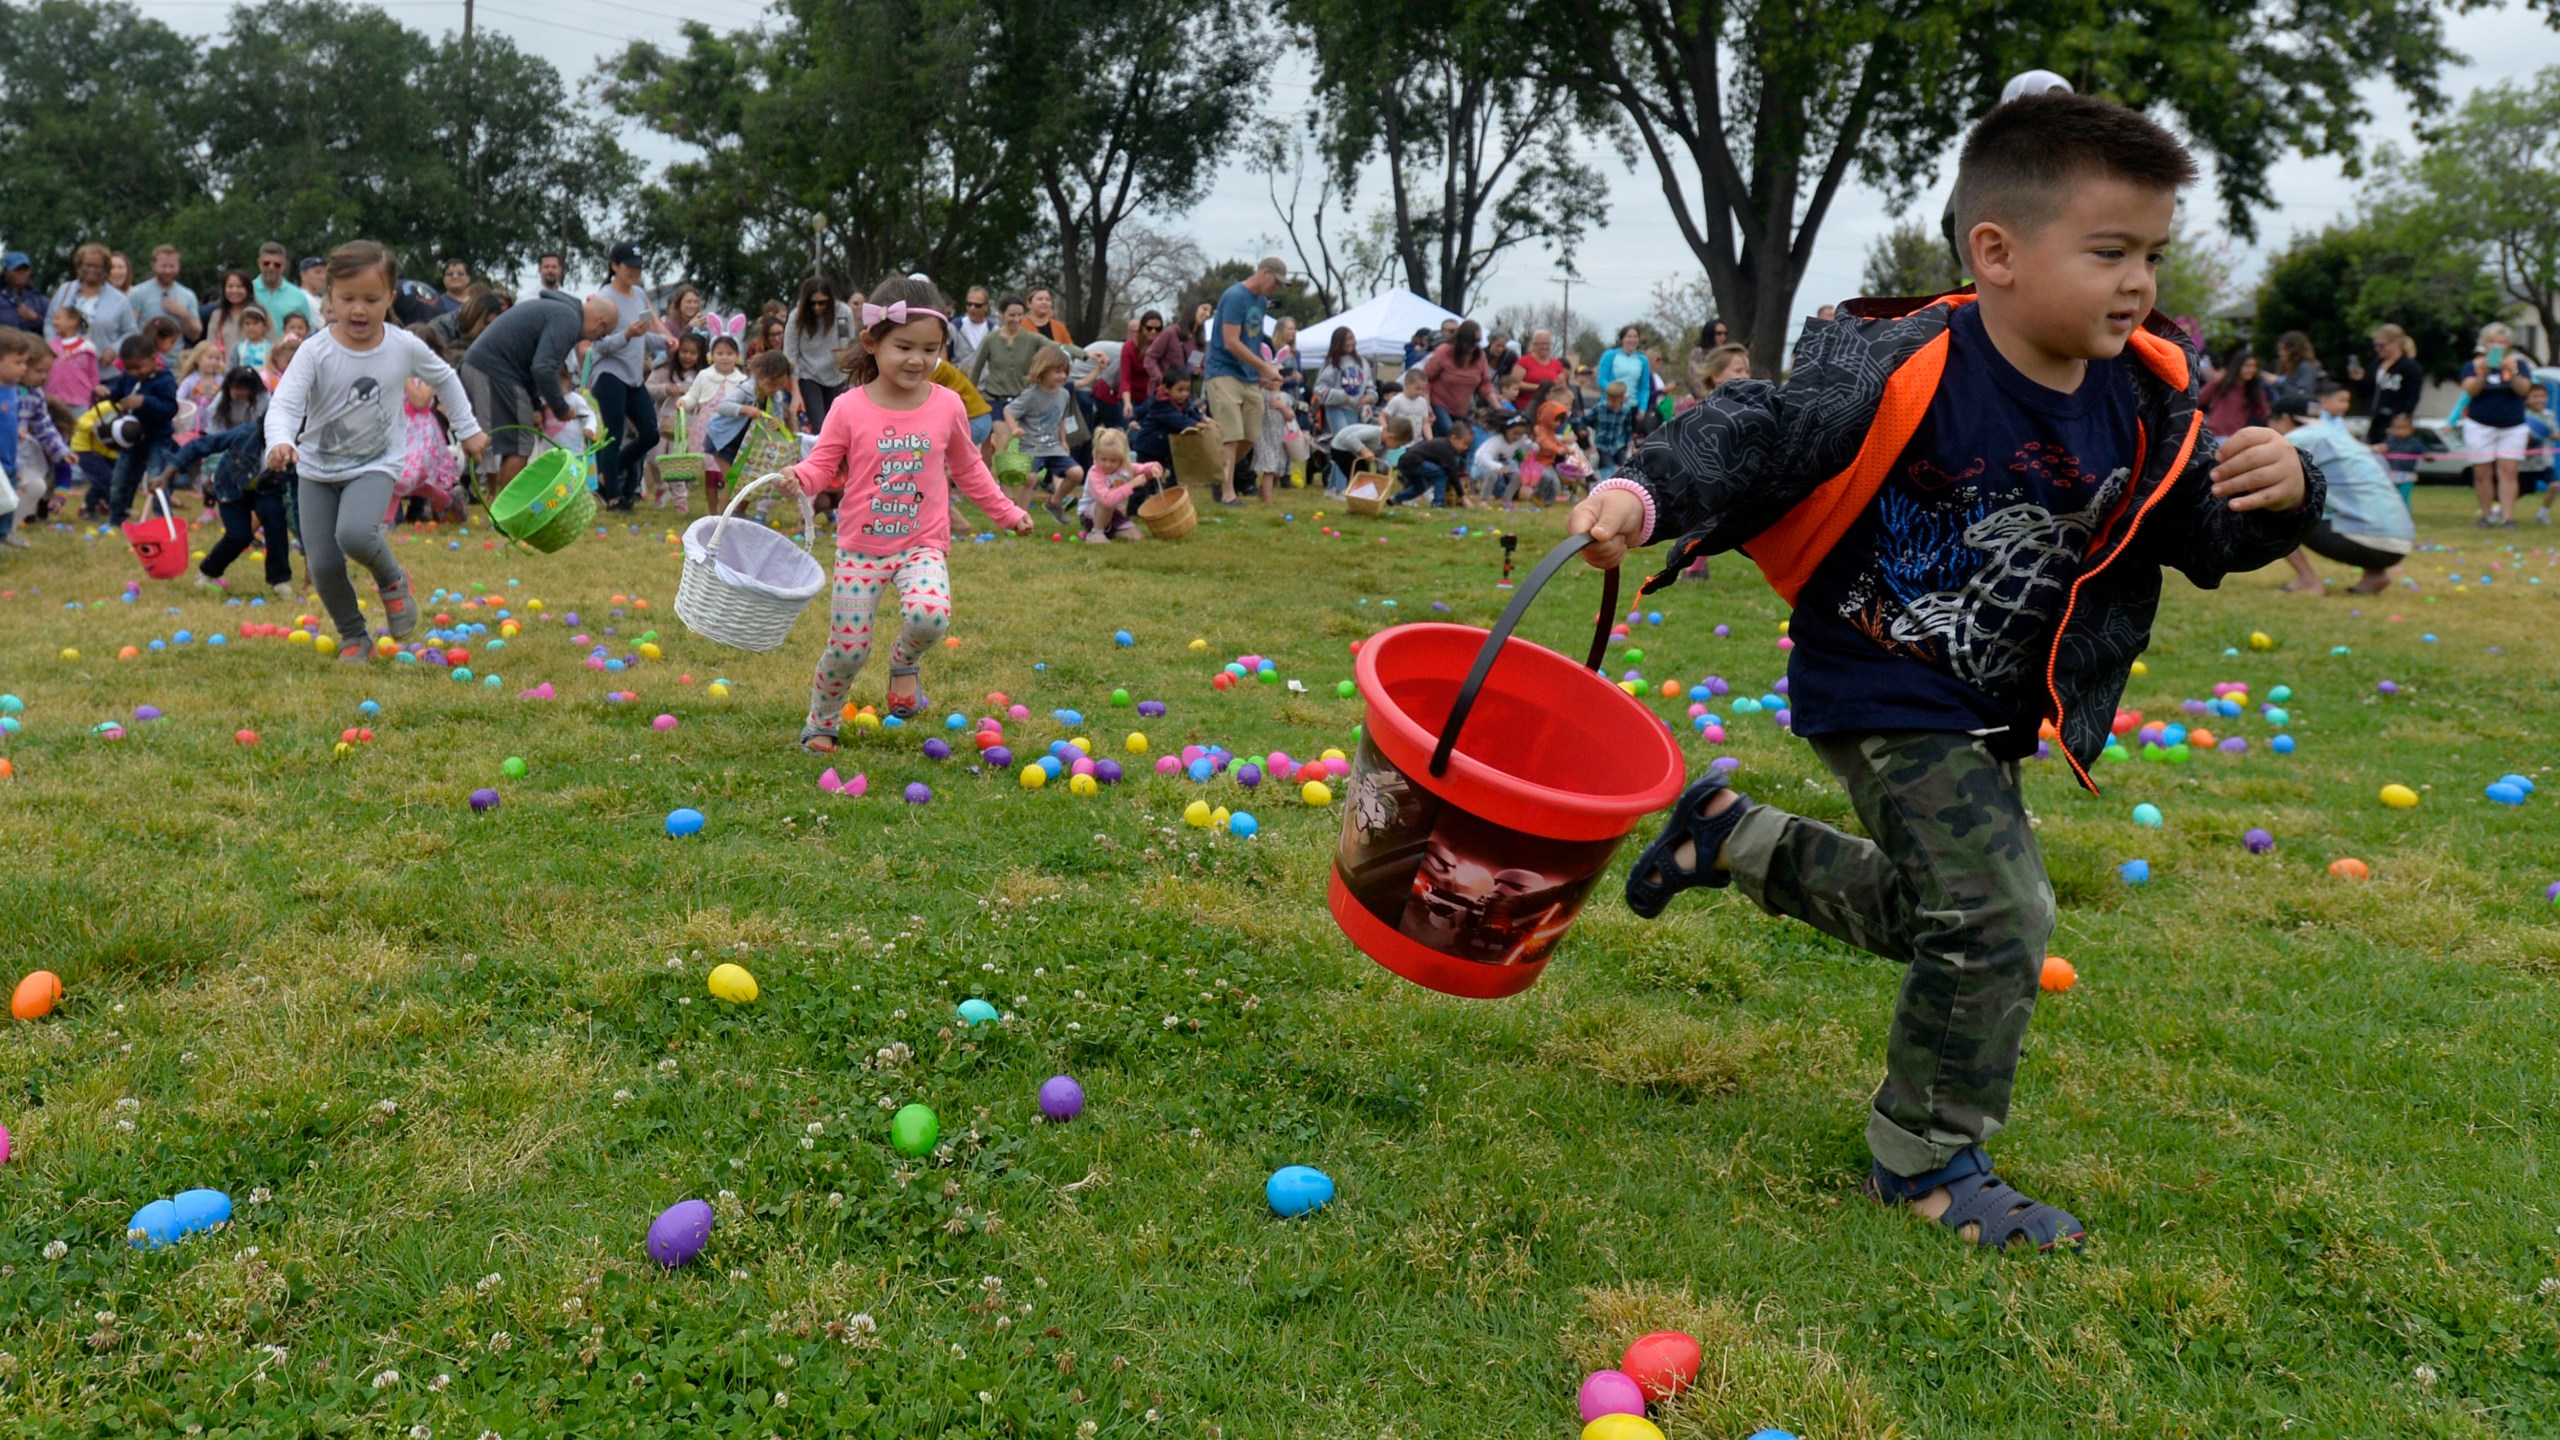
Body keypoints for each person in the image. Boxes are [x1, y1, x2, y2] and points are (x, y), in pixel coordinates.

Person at [1568, 90, 2318, 1254]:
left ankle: (1729, 837)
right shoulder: (1904, 364)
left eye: (2151, 256)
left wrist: (2282, 497)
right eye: (2109, 251)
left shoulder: (2146, 404)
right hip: (1877, 678)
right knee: (1999, 914)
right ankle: (1923, 1158)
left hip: (1986, 705)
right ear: (1996, 253)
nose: (2138, 283)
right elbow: (1757, 427)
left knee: (1943, 915)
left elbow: (2203, 538)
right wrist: (1647, 491)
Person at [791, 276, 1031, 752]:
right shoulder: (847, 407)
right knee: (847, 649)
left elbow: (970, 468)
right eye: (904, 346)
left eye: (930, 349)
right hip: (861, 549)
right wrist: (797, 478)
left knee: (929, 618)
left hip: (922, 544)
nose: (918, 359)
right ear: (872, 342)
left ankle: (904, 663)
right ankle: (821, 721)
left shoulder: (947, 405)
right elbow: (821, 464)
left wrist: (1006, 511)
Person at [264, 242, 488, 657]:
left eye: (372, 299)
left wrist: (469, 429)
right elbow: (285, 404)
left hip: (375, 464)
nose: (359, 310)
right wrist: (280, 441)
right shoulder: (315, 351)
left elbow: (445, 379)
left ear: (390, 297)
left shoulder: (403, 345)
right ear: (329, 297)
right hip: (316, 469)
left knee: (355, 533)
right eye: (347, 299)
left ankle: (392, 580)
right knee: (323, 565)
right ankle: (354, 635)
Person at [461, 289, 618, 490]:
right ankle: (508, 515)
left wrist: (535, 405)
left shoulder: (562, 312)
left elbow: (533, 365)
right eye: (602, 335)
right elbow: (543, 368)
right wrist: (561, 409)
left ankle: (463, 490)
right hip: (494, 369)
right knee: (519, 442)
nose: (597, 340)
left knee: (490, 438)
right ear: (600, 323)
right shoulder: (568, 319)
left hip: (481, 365)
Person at [153, 374, 291, 595]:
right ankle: (207, 572)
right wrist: (168, 473)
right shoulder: (246, 434)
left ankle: (279, 581)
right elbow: (201, 445)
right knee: (239, 535)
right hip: (231, 488)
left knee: (275, 521)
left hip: (266, 489)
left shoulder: (294, 448)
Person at [2267, 389, 2409, 595]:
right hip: (2399, 542)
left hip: (2366, 541)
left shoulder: (2296, 439)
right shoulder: (2341, 436)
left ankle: (2307, 581)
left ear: (2285, 418)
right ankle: (2375, 575)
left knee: (2271, 512)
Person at [587, 243, 664, 510]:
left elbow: (643, 338)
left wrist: (668, 342)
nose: (635, 271)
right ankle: (614, 497)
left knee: (651, 434)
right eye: (629, 266)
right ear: (614, 267)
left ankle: (606, 474)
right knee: (613, 435)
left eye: (639, 266)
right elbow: (598, 345)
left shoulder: (640, 295)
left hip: (633, 376)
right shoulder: (604, 297)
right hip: (608, 373)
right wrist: (627, 335)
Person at [1206, 258, 1288, 505]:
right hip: (1223, 371)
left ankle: (1219, 475)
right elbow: (1230, 341)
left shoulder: (1261, 302)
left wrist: (1262, 372)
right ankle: (1227, 493)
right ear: (1264, 273)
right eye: (1276, 282)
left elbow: (1252, 340)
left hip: (1250, 376)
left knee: (1250, 435)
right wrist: (1264, 366)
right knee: (1230, 434)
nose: (1277, 288)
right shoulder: (1234, 296)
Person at [2459, 320, 2532, 526]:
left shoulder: (2519, 365)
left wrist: (2513, 373)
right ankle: (2487, 515)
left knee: (2508, 473)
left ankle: (2507, 517)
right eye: (2493, 342)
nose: (2497, 346)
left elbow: (2524, 390)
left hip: (2512, 425)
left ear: (2509, 344)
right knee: (2482, 473)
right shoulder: (2471, 365)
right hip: (2480, 424)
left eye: (2502, 342)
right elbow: (2471, 391)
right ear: (2485, 344)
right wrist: (2482, 373)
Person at [103, 334, 178, 524]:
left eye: (139, 367)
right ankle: (117, 518)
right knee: (121, 479)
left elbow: (170, 409)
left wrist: (145, 402)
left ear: (153, 359)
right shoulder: (127, 378)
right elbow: (117, 393)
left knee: (157, 479)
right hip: (131, 440)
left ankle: (163, 520)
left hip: (158, 439)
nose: (135, 372)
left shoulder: (165, 380)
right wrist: (107, 393)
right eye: (129, 368)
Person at [1007, 348, 1083, 522]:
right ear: (1043, 370)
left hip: (1053, 446)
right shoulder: (1030, 395)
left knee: (1077, 473)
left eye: (1065, 371)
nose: (1063, 376)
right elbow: (1009, 411)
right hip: (1032, 447)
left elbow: (1060, 418)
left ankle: (1054, 503)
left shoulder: (1064, 394)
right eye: (1058, 371)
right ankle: (1019, 518)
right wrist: (1014, 429)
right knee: (1030, 478)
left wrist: (1063, 440)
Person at [966, 295, 1048, 449]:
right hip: (995, 399)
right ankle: (995, 473)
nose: (1016, 319)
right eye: (1012, 315)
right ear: (1002, 314)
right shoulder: (991, 340)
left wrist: (1085, 355)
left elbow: (1057, 347)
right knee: (1003, 440)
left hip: (1022, 399)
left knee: (1022, 445)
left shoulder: (1031, 338)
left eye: (1019, 315)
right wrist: (966, 399)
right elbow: (975, 371)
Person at [681, 334, 753, 507]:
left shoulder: (742, 380)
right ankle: (713, 511)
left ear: (737, 356)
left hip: (732, 430)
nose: (725, 357)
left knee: (729, 471)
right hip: (707, 427)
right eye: (720, 353)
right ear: (711, 355)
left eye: (729, 353)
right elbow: (693, 395)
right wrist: (684, 402)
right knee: (711, 473)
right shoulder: (704, 376)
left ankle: (730, 509)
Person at [647, 331, 708, 509]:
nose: (687, 356)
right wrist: (666, 389)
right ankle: (661, 487)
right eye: (684, 351)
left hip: (684, 426)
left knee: (677, 462)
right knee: (655, 458)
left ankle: (681, 499)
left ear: (699, 355)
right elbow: (648, 388)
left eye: (693, 353)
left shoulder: (701, 376)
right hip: (661, 423)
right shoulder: (664, 370)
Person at [783, 276, 856, 426]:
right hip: (808, 374)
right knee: (819, 424)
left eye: (822, 303)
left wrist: (844, 355)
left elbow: (846, 343)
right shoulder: (796, 317)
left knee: (836, 424)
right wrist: (796, 393)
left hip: (836, 374)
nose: (817, 307)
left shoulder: (843, 312)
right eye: (812, 303)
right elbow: (790, 356)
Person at [51, 243, 136, 358]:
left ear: (105, 269)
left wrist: (114, 349)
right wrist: (53, 347)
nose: (92, 270)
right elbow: (49, 321)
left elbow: (131, 332)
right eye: (87, 265)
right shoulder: (65, 290)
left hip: (104, 370)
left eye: (97, 266)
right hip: (66, 367)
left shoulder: (119, 299)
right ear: (80, 267)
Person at [1079, 428, 1155, 542]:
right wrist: (1131, 485)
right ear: (1096, 455)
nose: (1108, 464)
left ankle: (1107, 531)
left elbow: (1143, 468)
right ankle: (1096, 532)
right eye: (1103, 459)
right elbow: (1106, 500)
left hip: (1114, 513)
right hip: (1092, 513)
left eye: (1113, 460)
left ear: (1122, 459)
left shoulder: (1125, 468)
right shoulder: (1095, 473)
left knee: (1138, 538)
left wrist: (1154, 469)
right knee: (1108, 500)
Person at [2361, 323, 2424, 444]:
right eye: (2375, 346)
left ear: (2396, 344)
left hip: (2395, 420)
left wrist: (2404, 416)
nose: (2377, 349)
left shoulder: (2409, 367)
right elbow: (2365, 392)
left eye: (2381, 346)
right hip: (2376, 418)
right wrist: (2359, 380)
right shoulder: (2376, 365)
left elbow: (2413, 395)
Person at [126, 246, 202, 344]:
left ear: (178, 266)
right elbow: (128, 329)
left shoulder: (188, 295)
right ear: (153, 265)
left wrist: (183, 314)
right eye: (164, 266)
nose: (168, 271)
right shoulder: (138, 293)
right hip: (145, 355)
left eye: (172, 266)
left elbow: (195, 335)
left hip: (176, 357)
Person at [1387, 417, 1469, 506]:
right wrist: (1462, 496)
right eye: (1464, 443)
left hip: (1404, 461)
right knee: (1440, 474)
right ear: (1454, 438)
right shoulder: (1446, 449)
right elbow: (1452, 474)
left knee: (1421, 487)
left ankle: (1395, 499)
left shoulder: (1444, 445)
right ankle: (1437, 503)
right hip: (1413, 460)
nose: (1466, 447)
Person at [2199, 346, 2271, 438]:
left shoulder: (2255, 391)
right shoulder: (2221, 383)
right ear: (2238, 366)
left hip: (2235, 437)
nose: (2251, 370)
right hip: (2214, 432)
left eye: (2254, 366)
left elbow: (2265, 414)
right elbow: (2199, 399)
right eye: (2247, 366)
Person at [250, 244, 316, 336]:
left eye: (277, 265)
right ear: (259, 263)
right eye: (266, 263)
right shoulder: (247, 291)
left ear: (284, 265)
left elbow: (307, 330)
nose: (271, 267)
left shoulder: (298, 296)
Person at [46, 305, 100, 410]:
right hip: (54, 401)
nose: (54, 322)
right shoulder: (50, 347)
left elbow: (93, 375)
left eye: (58, 318)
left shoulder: (87, 348)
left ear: (72, 321)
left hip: (80, 400)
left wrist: (94, 398)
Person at [1596, 325, 1656, 414]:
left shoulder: (1643, 360)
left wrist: (1642, 408)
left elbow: (1644, 387)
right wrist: (1617, 394)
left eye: (1635, 337)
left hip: (1632, 406)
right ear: (1622, 339)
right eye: (1629, 337)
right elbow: (1602, 379)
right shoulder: (1610, 355)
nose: (1632, 340)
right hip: (1611, 405)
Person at [1588, 379, 1637, 479]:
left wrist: (1630, 442)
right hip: (1603, 445)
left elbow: (1628, 427)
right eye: (1608, 399)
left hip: (1619, 444)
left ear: (1622, 399)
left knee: (1624, 469)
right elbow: (1587, 419)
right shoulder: (1600, 408)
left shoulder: (1626, 410)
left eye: (1614, 401)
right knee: (1608, 470)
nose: (1610, 403)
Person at [201, 269, 257, 353]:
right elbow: (209, 346)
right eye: (230, 286)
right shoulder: (217, 315)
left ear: (248, 289)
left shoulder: (259, 314)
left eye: (239, 286)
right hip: (223, 365)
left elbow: (271, 344)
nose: (234, 290)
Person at [1511, 329, 1568, 409]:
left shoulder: (1557, 364)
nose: (1544, 346)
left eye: (1547, 344)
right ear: (1534, 345)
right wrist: (1541, 388)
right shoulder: (1524, 361)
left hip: (1549, 408)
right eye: (1541, 344)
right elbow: (1515, 384)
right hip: (1526, 407)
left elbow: (1563, 385)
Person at [2528, 384, 2558, 522]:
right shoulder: (2522, 415)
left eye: (2543, 396)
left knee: (2555, 485)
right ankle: (2498, 509)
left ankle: (2543, 514)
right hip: (2524, 464)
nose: (2539, 400)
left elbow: (2554, 434)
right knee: (2517, 491)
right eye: (2535, 397)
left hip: (2543, 461)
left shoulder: (2549, 415)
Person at [2270, 330, 2322, 405]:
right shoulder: (2285, 366)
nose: (2280, 353)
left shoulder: (2306, 367)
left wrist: (2277, 382)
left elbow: (2303, 395)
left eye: (2283, 349)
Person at [0, 252, 46, 335]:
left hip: (34, 346)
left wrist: (35, 319)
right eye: (17, 269)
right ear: (6, 272)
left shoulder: (41, 301)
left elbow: (55, 331)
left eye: (25, 269)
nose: (22, 273)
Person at [951, 286, 994, 370]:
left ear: (986, 307)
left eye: (977, 305)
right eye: (969, 304)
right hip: (958, 381)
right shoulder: (954, 327)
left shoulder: (994, 330)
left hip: (985, 382)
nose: (972, 308)